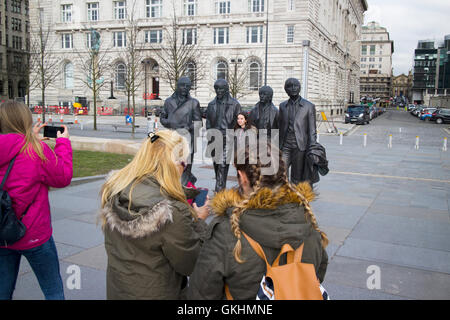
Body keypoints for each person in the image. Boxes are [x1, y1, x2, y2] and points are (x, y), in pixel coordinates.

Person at [187, 143, 328, 300]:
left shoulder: (227, 232)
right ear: (283, 174)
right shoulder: (307, 222)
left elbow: (200, 293)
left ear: (243, 177)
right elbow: (318, 273)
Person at [99, 130, 210, 300]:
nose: (184, 168)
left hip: (119, 291)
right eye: (183, 164)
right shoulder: (171, 212)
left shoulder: (115, 190)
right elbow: (192, 264)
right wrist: (199, 221)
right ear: (172, 165)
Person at [0, 101, 72, 300]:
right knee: (53, 290)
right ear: (26, 120)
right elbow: (62, 177)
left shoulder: (31, 147)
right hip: (33, 234)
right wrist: (63, 143)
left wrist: (30, 138)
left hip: (2, 234)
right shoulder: (35, 150)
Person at [160, 77, 202, 185]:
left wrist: (188, 127)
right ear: (177, 86)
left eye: (188, 86)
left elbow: (198, 122)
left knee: (186, 165)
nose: (185, 88)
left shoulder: (194, 102)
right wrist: (169, 122)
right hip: (173, 138)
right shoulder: (169, 101)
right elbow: (163, 118)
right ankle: (174, 185)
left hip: (187, 138)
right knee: (172, 164)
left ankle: (184, 187)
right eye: (183, 85)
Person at [279, 78, 321, 185]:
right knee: (281, 174)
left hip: (300, 146)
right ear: (285, 89)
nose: (293, 88)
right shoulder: (282, 106)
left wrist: (312, 148)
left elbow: (312, 130)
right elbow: (280, 126)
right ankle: (284, 196)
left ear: (299, 88)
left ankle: (295, 199)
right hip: (285, 146)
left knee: (296, 176)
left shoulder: (309, 106)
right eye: (290, 86)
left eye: (296, 86)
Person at [206, 79, 242, 192]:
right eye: (216, 88)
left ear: (226, 89)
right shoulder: (211, 104)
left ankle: (219, 191)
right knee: (217, 165)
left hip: (228, 138)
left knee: (222, 164)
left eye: (221, 88)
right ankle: (221, 185)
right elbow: (208, 121)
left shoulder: (235, 104)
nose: (218, 91)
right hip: (214, 138)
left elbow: (239, 122)